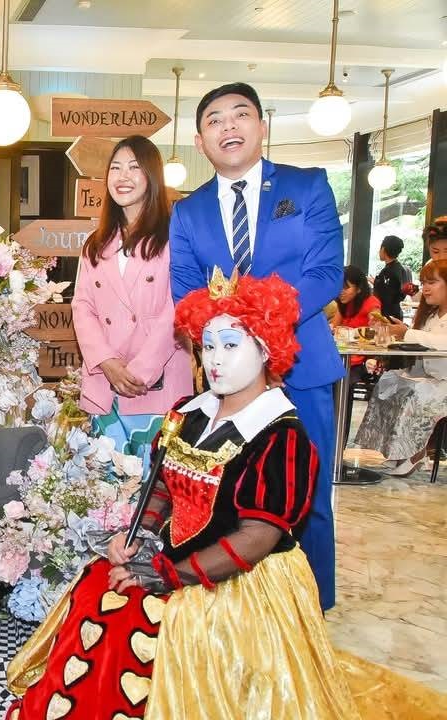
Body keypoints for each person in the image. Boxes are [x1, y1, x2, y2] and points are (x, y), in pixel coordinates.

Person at [6, 272, 442, 720]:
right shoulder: (188, 413)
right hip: (171, 557)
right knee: (98, 584)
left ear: (267, 349)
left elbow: (256, 538)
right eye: (208, 345)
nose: (215, 359)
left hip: (239, 581)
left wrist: (169, 576)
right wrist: (136, 538)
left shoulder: (281, 436)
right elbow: (162, 487)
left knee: (152, 620)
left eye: (231, 345)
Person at [168, 82, 344, 610]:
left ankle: (313, 608)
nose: (229, 126)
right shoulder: (189, 211)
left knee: (308, 499)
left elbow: (326, 273)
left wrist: (264, 326)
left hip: (302, 367)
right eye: (214, 120)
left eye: (240, 114)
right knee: (236, 496)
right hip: (228, 381)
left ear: (262, 126)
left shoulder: (307, 186)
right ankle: (246, 610)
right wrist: (232, 342)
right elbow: (186, 290)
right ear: (199, 141)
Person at [72, 135, 192, 464]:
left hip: (156, 383)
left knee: (154, 484)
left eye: (134, 167)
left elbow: (177, 308)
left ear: (151, 175)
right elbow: (82, 307)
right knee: (104, 482)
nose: (122, 176)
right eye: (115, 168)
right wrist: (107, 362)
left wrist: (139, 372)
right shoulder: (95, 243)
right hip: (105, 383)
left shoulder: (175, 237)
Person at [355, 259, 447, 475]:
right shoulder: (431, 315)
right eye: (424, 283)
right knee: (388, 383)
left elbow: (441, 342)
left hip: (442, 382)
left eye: (432, 282)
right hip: (430, 376)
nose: (425, 288)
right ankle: (394, 450)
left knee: (414, 394)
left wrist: (406, 332)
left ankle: (416, 452)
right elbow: (419, 342)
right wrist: (392, 331)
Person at [373, 235, 410, 321]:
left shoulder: (387, 271)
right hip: (397, 314)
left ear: (383, 249)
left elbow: (385, 296)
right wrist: (377, 282)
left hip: (387, 316)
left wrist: (377, 283)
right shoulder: (402, 269)